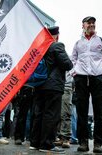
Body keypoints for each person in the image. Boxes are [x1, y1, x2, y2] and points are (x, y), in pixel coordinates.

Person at [71, 16, 102, 153]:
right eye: (88, 23)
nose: (91, 25)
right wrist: (74, 72)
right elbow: (73, 59)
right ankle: (83, 141)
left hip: (97, 78)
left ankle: (98, 143)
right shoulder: (78, 43)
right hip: (81, 78)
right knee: (81, 111)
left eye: (93, 23)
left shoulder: (101, 41)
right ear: (82, 25)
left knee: (99, 111)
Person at [29, 26, 73, 154]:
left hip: (39, 84)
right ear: (56, 36)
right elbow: (68, 64)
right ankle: (47, 144)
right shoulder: (57, 46)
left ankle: (35, 143)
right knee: (51, 115)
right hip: (53, 86)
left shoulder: (39, 48)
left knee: (39, 114)